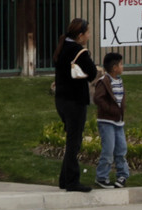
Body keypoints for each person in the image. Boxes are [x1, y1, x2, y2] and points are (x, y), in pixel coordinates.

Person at [52, 17, 98, 192]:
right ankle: (71, 181)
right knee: (74, 141)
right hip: (75, 101)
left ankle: (64, 179)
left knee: (71, 139)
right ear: (80, 35)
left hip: (61, 100)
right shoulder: (79, 51)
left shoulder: (61, 47)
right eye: (87, 33)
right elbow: (92, 73)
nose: (89, 36)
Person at [90, 52, 128, 188]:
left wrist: (120, 112)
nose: (123, 67)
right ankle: (101, 177)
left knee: (121, 149)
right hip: (107, 122)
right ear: (114, 67)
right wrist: (110, 110)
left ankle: (122, 175)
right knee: (108, 150)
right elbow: (97, 98)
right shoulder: (104, 82)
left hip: (118, 122)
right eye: (121, 64)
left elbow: (121, 99)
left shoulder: (119, 81)